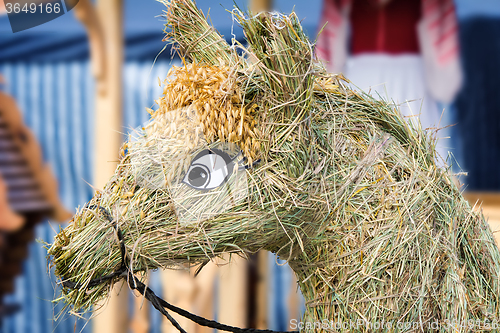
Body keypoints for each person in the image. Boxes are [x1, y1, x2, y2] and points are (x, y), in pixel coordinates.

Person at [316, 0, 462, 163]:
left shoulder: (434, 4)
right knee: (358, 159)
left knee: (419, 162)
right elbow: (327, 64)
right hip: (362, 88)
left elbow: (446, 85)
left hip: (413, 92)